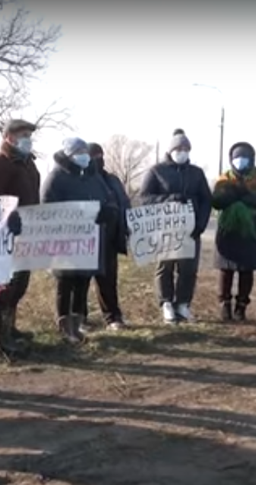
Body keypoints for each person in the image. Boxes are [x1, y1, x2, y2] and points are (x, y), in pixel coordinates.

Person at [42, 137, 117, 342]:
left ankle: (77, 324)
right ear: (68, 155)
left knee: (82, 281)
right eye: (78, 152)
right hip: (65, 240)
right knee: (65, 283)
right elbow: (48, 207)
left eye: (85, 151)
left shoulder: (93, 175)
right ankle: (64, 326)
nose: (83, 155)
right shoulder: (56, 178)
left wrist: (107, 212)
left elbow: (107, 198)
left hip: (88, 240)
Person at [136, 128, 212, 324]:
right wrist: (169, 199)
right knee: (165, 267)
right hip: (165, 230)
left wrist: (200, 224)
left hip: (190, 230)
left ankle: (183, 304)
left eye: (186, 148)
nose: (182, 151)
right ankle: (166, 303)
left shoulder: (197, 173)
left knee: (188, 269)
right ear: (171, 150)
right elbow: (144, 199)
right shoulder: (157, 171)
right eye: (179, 147)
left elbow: (206, 200)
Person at [0, 119, 39, 352]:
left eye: (29, 135)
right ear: (9, 137)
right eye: (23, 134)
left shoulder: (29, 164)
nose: (28, 139)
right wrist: (8, 215)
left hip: (27, 234)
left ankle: (11, 327)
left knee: (21, 283)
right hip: (5, 237)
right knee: (6, 286)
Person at [211, 143, 256, 321]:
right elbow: (216, 201)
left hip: (251, 231)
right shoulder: (224, 179)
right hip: (228, 230)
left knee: (247, 270)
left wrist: (246, 195)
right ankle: (225, 304)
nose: (240, 162)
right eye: (237, 158)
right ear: (231, 160)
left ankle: (241, 306)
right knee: (226, 269)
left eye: (244, 158)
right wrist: (232, 195)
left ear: (252, 159)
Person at [86, 142, 131, 330]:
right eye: (94, 156)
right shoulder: (82, 180)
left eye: (100, 155)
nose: (98, 159)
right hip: (88, 238)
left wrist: (128, 223)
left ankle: (113, 316)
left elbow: (124, 202)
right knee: (81, 282)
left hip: (111, 238)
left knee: (109, 280)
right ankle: (79, 318)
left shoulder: (112, 180)